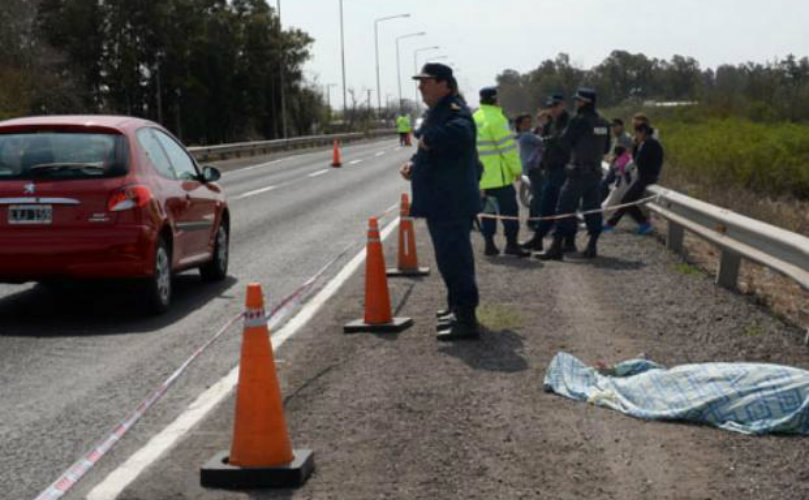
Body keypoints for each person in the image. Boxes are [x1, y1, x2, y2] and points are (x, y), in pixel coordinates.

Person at [400, 63, 481, 341]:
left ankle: (467, 318)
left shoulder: (455, 110)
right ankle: (455, 307)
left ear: (444, 83)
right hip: (440, 201)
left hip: (452, 201)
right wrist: (413, 163)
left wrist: (427, 139)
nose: (421, 86)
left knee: (456, 259)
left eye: (426, 81)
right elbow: (431, 151)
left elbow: (460, 135)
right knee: (447, 259)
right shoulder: (438, 111)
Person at [538, 87, 611, 260]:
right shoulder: (603, 122)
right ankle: (592, 246)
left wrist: (551, 140)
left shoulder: (579, 120)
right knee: (593, 210)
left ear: (585, 102)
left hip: (577, 173)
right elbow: (607, 148)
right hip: (595, 174)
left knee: (563, 208)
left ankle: (556, 248)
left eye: (578, 100)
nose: (576, 103)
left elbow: (565, 142)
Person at [474, 86, 530, 257]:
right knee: (510, 212)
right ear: (495, 100)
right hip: (499, 178)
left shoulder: (474, 117)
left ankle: (489, 246)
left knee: (488, 213)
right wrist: (517, 171)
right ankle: (512, 245)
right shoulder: (498, 119)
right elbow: (508, 149)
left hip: (482, 178)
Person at [520, 93, 570, 252]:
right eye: (550, 107)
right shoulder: (552, 123)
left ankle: (563, 242)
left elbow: (561, 142)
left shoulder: (569, 122)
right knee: (547, 206)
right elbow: (545, 144)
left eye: (555, 106)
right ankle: (539, 239)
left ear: (563, 105)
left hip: (563, 169)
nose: (552, 109)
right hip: (549, 169)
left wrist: (549, 139)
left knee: (560, 207)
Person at [603, 121, 663, 234]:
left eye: (637, 133)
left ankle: (613, 223)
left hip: (647, 177)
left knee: (627, 200)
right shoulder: (648, 142)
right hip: (645, 176)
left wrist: (635, 147)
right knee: (627, 201)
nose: (636, 136)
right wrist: (636, 146)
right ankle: (641, 223)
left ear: (643, 132)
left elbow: (637, 161)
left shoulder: (649, 143)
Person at [515, 112, 546, 229]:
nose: (528, 124)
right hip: (533, 169)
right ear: (520, 125)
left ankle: (534, 219)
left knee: (537, 194)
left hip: (531, 168)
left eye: (529, 122)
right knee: (538, 195)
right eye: (525, 123)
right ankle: (533, 221)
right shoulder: (527, 136)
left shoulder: (525, 135)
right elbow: (542, 141)